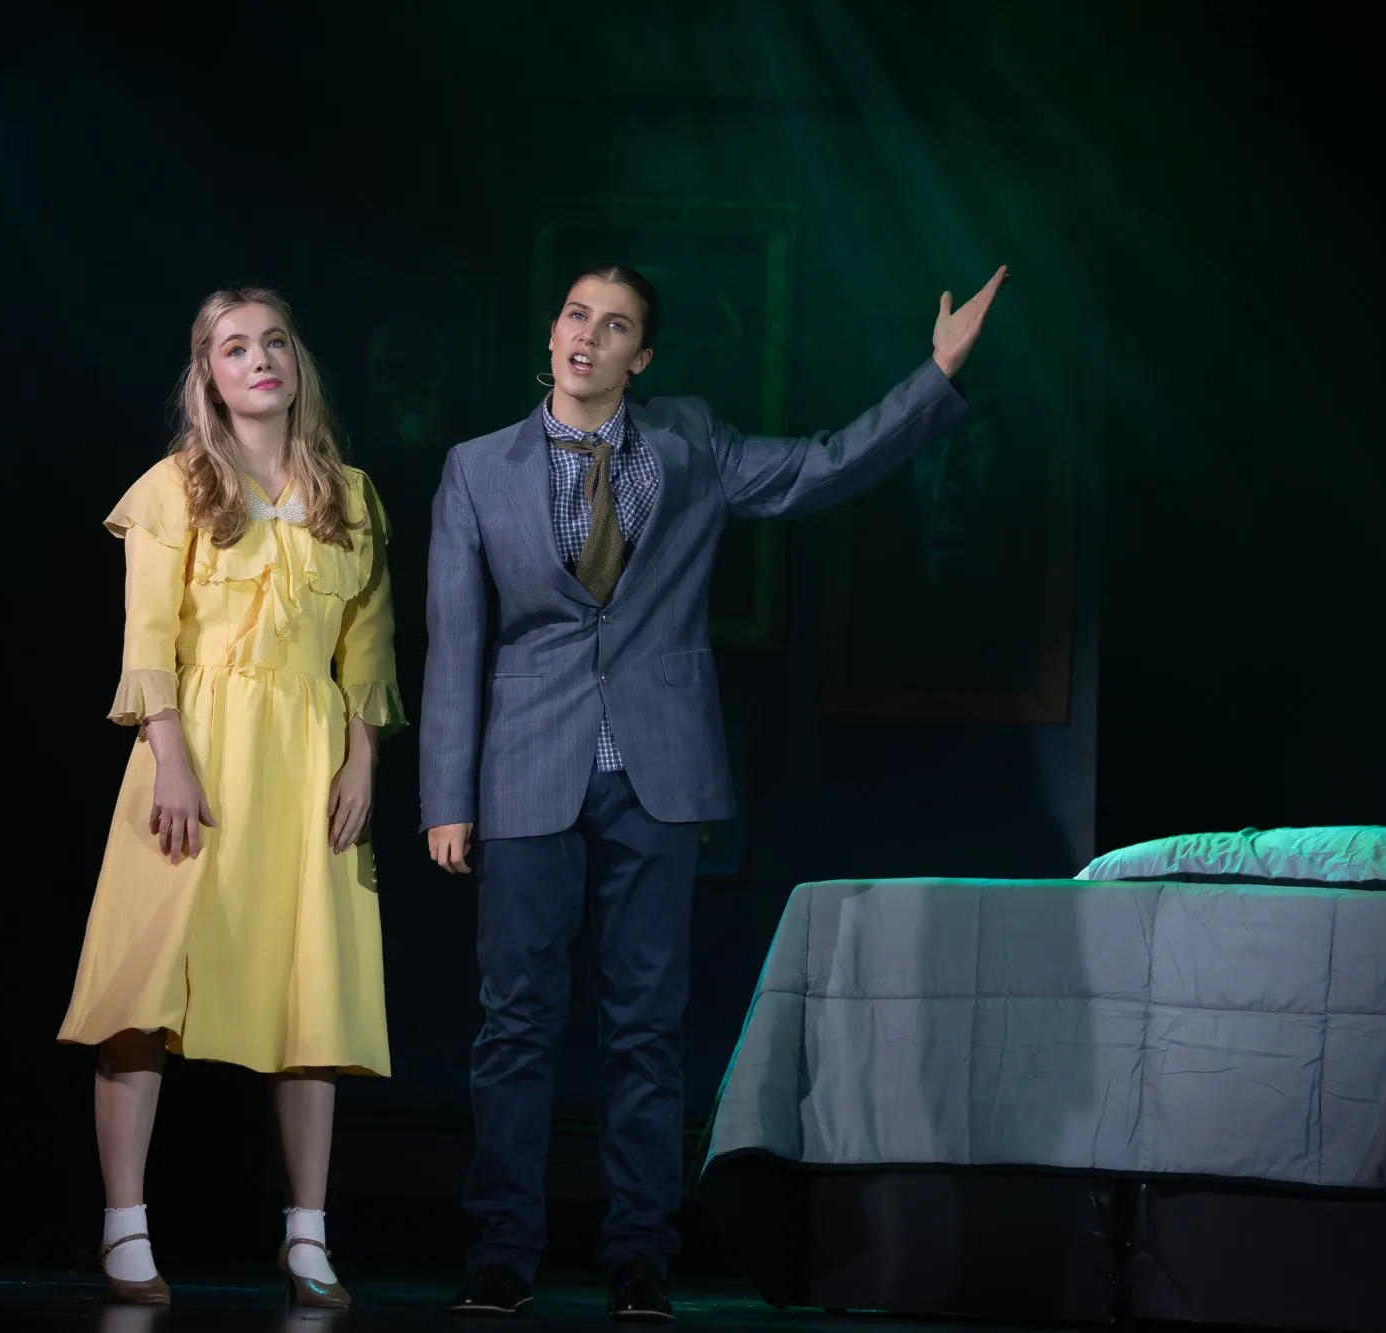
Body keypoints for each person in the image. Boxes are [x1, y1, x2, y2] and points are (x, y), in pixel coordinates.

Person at [422, 262, 1008, 1321]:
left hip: (656, 771)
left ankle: (638, 1253)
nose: (585, 338)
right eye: (572, 316)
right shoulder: (476, 469)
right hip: (522, 771)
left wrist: (935, 372)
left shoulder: (690, 447)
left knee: (644, 1024)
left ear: (639, 357)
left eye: (613, 327)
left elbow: (825, 466)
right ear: (551, 334)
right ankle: (502, 1248)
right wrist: (442, 796)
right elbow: (453, 641)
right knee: (515, 1022)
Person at [57, 287, 405, 1309]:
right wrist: (168, 752)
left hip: (305, 761)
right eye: (233, 347)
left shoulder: (351, 495)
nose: (259, 359)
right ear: (206, 373)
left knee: (312, 998)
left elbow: (367, 652)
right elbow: (146, 638)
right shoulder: (173, 488)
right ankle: (125, 1228)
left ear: (297, 362)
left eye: (275, 342)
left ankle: (307, 1236)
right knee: (145, 986)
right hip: (193, 753)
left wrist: (361, 760)